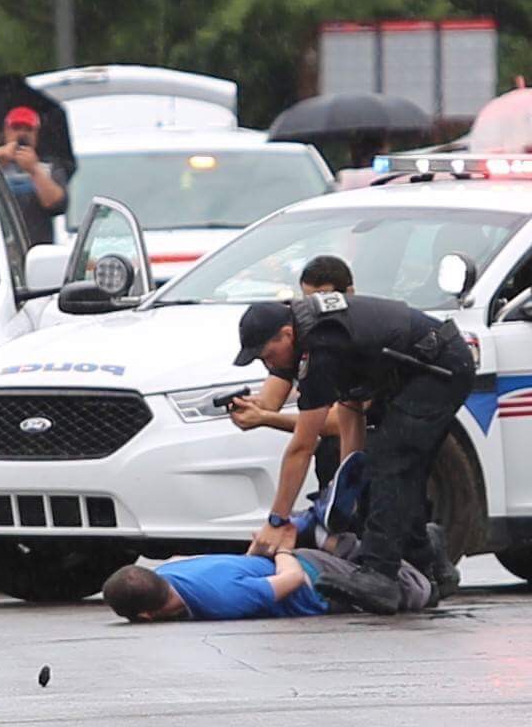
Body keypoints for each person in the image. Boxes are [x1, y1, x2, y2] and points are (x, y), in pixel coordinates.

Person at [233, 290, 473, 614]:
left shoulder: (320, 347)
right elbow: (352, 407)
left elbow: (302, 448)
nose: (268, 364)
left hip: (440, 369)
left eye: (266, 355)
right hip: (420, 371)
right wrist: (348, 482)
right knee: (395, 467)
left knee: (391, 460)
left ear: (286, 335)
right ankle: (427, 559)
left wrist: (277, 520)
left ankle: (380, 576)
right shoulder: (308, 335)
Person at [228, 255, 366, 475]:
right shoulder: (298, 333)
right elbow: (269, 402)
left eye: (323, 298)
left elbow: (338, 422)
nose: (315, 309)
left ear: (349, 294)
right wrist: (252, 407)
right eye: (308, 299)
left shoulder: (356, 334)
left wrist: (266, 418)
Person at [102, 539, 437, 622]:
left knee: (412, 592)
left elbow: (289, 580)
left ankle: (428, 558)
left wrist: (282, 550)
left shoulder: (221, 601)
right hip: (283, 562)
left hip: (312, 579)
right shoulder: (166, 573)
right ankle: (353, 547)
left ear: (145, 616)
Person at [0, 105, 69, 246]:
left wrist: (34, 170)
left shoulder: (49, 167)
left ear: (36, 133)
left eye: (28, 129)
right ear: (6, 130)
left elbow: (56, 204)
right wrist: (0, 156)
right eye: (16, 128)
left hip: (36, 246)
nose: (22, 134)